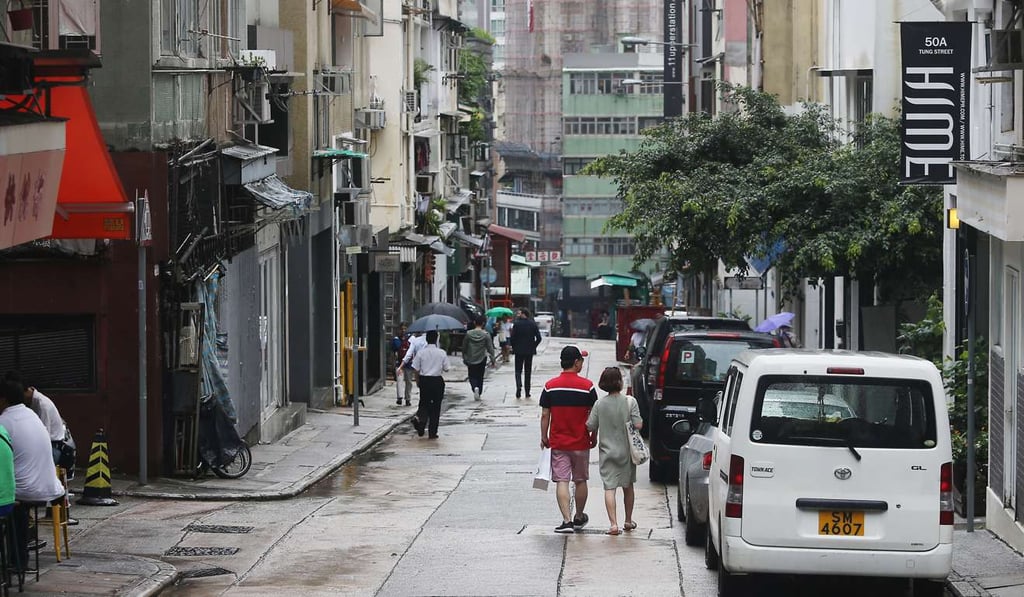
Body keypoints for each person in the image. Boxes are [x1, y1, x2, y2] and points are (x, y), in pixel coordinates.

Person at [0, 379, 65, 573]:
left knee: (10, 504)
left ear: (3, 400)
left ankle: (16, 561)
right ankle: (18, 560)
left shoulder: (5, 421)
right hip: (47, 485)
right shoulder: (30, 415)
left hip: (28, 490)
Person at [539, 345, 598, 533]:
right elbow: (595, 416)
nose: (582, 363)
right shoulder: (587, 387)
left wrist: (544, 437)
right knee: (580, 480)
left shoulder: (550, 386)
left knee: (562, 481)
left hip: (558, 442)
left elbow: (545, 415)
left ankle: (566, 521)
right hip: (581, 442)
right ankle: (579, 517)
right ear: (576, 362)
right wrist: (593, 436)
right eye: (581, 360)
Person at [586, 367, 642, 535]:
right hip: (627, 452)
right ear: (619, 381)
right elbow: (638, 425)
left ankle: (613, 524)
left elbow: (590, 425)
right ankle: (628, 520)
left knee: (609, 488)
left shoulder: (599, 404)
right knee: (628, 486)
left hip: (607, 452)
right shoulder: (630, 401)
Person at [411, 331, 451, 439]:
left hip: (424, 380)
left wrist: (417, 381)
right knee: (436, 406)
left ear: (427, 339)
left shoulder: (421, 353)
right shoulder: (441, 353)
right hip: (437, 381)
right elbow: (447, 368)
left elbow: (416, 369)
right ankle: (432, 432)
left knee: (424, 403)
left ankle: (421, 423)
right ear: (436, 339)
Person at [461, 317, 497, 401]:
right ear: (483, 324)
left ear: (474, 322)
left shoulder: (469, 334)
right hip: (482, 358)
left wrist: (464, 356)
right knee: (480, 376)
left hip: (471, 357)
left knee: (472, 375)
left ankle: (474, 387)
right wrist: (493, 360)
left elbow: (464, 346)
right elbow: (490, 348)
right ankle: (479, 391)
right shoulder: (486, 335)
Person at [510, 309, 542, 399]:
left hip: (518, 351)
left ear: (523, 314)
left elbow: (512, 338)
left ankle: (518, 386)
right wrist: (533, 346)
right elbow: (539, 338)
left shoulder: (517, 324)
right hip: (529, 351)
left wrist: (514, 347)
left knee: (518, 371)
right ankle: (527, 392)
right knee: (528, 371)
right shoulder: (532, 324)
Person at [396, 330, 427, 406]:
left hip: (414, 366)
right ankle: (408, 399)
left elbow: (408, 354)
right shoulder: (428, 342)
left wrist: (400, 366)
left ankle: (402, 397)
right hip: (426, 369)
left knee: (403, 382)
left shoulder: (415, 341)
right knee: (409, 382)